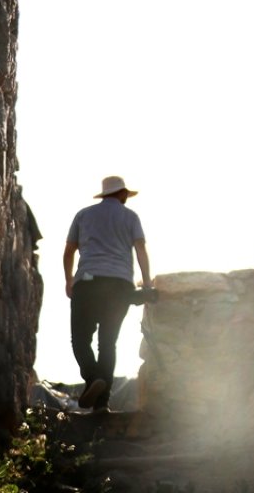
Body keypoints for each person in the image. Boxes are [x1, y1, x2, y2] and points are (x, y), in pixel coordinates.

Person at [63, 175, 152, 411]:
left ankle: (93, 378)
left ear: (104, 194)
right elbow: (141, 250)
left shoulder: (83, 215)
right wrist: (147, 284)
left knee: (80, 339)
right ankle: (102, 404)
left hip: (88, 282)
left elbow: (69, 251)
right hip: (120, 285)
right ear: (122, 194)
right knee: (108, 342)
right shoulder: (131, 217)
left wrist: (69, 280)